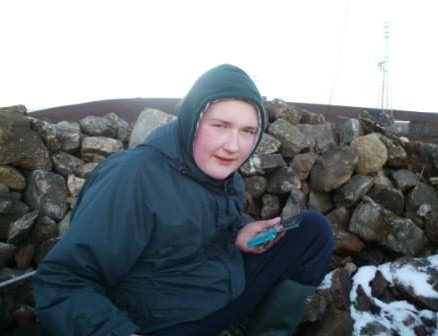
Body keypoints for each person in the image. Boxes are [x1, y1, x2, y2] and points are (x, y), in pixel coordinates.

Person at [33, 64, 334, 336]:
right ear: (193, 120)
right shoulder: (134, 176)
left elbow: (206, 226)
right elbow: (62, 281)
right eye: (220, 125)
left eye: (247, 131)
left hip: (217, 291)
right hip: (157, 322)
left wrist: (239, 231)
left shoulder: (225, 174)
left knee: (312, 230)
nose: (233, 146)